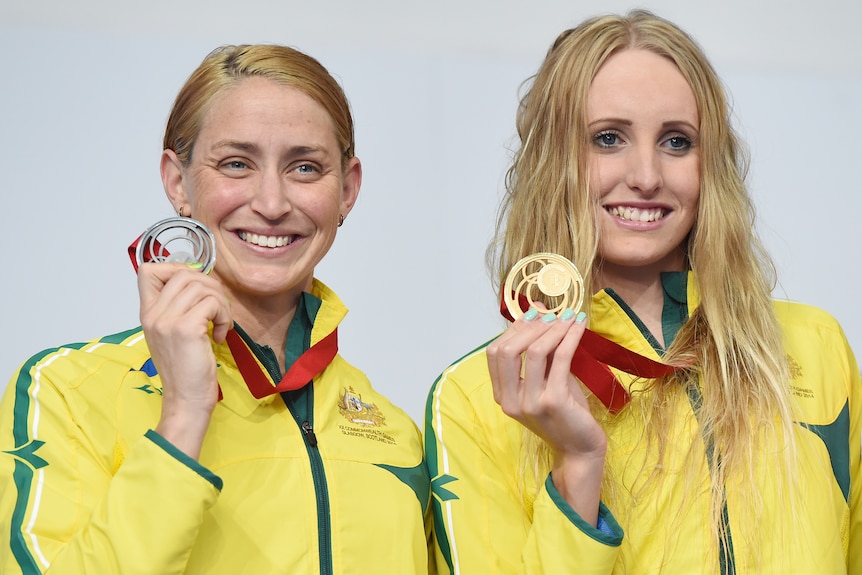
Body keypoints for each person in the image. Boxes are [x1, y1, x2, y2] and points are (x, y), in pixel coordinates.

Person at [424, 10, 860, 574]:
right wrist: (579, 466)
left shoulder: (815, 346)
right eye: (609, 138)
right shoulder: (475, 398)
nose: (648, 175)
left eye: (677, 142)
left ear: (711, 167)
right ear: (554, 161)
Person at [0, 44, 431, 574]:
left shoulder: (397, 432)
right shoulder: (66, 392)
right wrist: (182, 414)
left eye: (304, 167)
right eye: (236, 164)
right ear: (177, 182)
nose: (272, 203)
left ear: (347, 189)